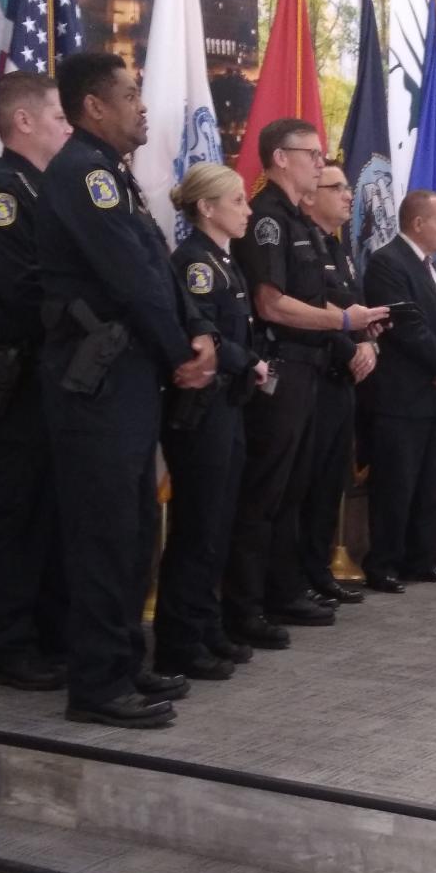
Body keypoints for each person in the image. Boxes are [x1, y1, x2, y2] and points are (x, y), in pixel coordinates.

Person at [38, 53, 218, 726]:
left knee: (135, 527)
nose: (143, 107)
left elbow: (160, 268)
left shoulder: (113, 175)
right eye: (131, 95)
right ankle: (97, 686)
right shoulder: (84, 174)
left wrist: (196, 332)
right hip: (99, 384)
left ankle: (121, 665)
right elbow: (128, 277)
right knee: (105, 535)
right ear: (94, 107)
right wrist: (181, 354)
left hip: (131, 381)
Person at [223, 118, 387, 645]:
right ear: (279, 158)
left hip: (311, 368)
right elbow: (270, 303)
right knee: (265, 494)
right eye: (312, 154)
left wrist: (358, 324)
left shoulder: (301, 223)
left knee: (294, 492)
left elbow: (318, 297)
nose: (321, 162)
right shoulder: (269, 219)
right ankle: (247, 607)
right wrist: (345, 322)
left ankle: (282, 588)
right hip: (280, 369)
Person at [0, 73, 71, 690]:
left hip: (46, 379)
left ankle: (50, 636)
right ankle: (10, 648)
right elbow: (21, 286)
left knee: (49, 514)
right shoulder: (0, 191)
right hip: (12, 379)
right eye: (56, 115)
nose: (67, 125)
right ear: (22, 121)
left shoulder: (43, 189)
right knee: (15, 517)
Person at [154, 163, 268, 681]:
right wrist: (248, 362)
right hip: (203, 408)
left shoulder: (226, 262)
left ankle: (205, 624)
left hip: (230, 405)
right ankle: (181, 639)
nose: (247, 210)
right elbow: (205, 337)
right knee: (197, 526)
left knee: (218, 523)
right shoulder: (195, 263)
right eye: (238, 201)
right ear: (206, 207)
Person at [362, 190, 436, 591]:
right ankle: (384, 562)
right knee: (396, 484)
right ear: (418, 223)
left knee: (430, 484)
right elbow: (406, 327)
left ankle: (421, 558)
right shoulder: (388, 262)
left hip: (435, 394)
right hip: (400, 395)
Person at [297, 159, 373, 606]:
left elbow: (354, 308)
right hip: (316, 375)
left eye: (347, 186)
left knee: (330, 483)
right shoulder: (305, 245)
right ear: (310, 196)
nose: (348, 194)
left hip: (344, 378)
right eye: (336, 186)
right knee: (306, 484)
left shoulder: (339, 247)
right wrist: (351, 347)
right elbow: (313, 309)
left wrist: (369, 344)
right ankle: (297, 574)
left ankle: (318, 567)